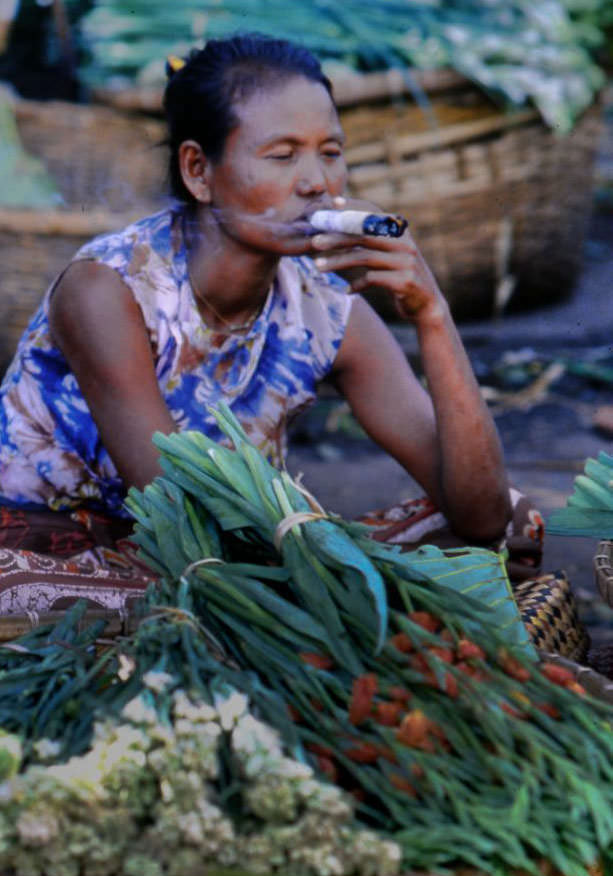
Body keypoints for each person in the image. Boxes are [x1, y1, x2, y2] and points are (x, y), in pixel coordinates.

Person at [0, 33, 543, 615]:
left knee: (511, 531)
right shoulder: (107, 290)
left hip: (244, 552)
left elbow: (480, 516)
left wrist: (432, 315)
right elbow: (182, 523)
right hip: (63, 544)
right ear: (198, 171)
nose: (316, 182)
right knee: (105, 592)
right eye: (283, 156)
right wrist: (322, 571)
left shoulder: (324, 306)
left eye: (330, 152)